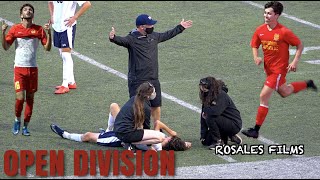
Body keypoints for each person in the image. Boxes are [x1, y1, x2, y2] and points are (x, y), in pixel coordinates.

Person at [241, 1, 318, 139]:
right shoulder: (260, 30)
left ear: (277, 15)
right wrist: (256, 57)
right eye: (265, 13)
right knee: (285, 91)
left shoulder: (284, 32)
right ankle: (308, 83)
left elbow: (299, 45)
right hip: (269, 70)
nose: (266, 15)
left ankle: (255, 130)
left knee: (263, 97)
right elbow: (254, 44)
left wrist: (294, 61)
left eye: (269, 13)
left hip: (278, 71)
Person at [109, 14, 193, 127]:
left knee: (156, 105)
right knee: (139, 106)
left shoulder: (153, 36)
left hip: (153, 79)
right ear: (142, 27)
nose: (152, 26)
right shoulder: (132, 39)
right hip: (138, 80)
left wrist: (180, 27)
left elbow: (167, 35)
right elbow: (121, 40)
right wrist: (113, 38)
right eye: (150, 24)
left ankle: (157, 128)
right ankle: (140, 129)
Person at [50, 94, 191, 151]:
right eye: (168, 136)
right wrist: (176, 136)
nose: (165, 136)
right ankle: (107, 128)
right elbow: (158, 123)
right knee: (114, 107)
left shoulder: (157, 147)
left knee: (88, 136)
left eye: (168, 138)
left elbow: (145, 148)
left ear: (168, 143)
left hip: (120, 137)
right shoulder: (159, 137)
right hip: (130, 129)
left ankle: (65, 135)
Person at [1, 3, 52, 136]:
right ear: (21, 15)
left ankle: (26, 126)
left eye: (30, 10)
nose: (28, 11)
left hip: (33, 70)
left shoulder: (39, 30)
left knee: (30, 98)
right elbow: (6, 47)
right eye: (25, 10)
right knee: (20, 98)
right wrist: (3, 32)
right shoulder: (14, 29)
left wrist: (49, 33)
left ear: (33, 15)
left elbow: (47, 48)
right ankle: (17, 120)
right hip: (19, 69)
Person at [48, 1, 91, 94]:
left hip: (67, 26)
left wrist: (75, 17)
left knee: (65, 55)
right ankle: (71, 81)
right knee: (62, 53)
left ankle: (65, 85)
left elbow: (87, 4)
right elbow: (50, 2)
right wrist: (52, 16)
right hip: (57, 26)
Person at [199, 76, 242, 150]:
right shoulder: (207, 96)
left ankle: (218, 142)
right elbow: (203, 116)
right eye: (201, 86)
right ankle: (228, 136)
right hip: (221, 122)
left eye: (204, 86)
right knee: (206, 141)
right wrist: (203, 135)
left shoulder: (221, 95)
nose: (202, 88)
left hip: (234, 124)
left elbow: (215, 112)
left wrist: (206, 111)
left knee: (210, 117)